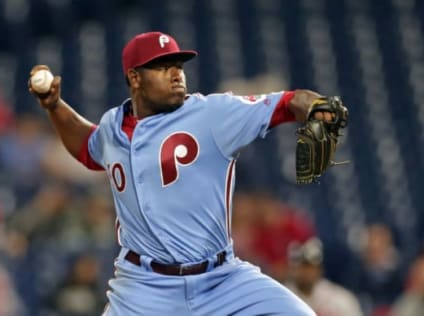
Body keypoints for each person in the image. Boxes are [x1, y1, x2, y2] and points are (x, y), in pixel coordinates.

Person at [29, 31, 345, 315]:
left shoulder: (213, 114)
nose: (177, 74)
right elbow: (88, 146)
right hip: (143, 288)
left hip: (221, 280)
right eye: (163, 66)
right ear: (135, 77)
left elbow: (289, 102)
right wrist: (54, 106)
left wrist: (318, 107)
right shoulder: (113, 126)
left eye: (178, 65)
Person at [286, 238, 364, 316]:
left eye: (312, 267)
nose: (308, 272)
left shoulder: (338, 298)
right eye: (304, 266)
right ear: (293, 269)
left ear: (320, 269)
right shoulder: (283, 298)